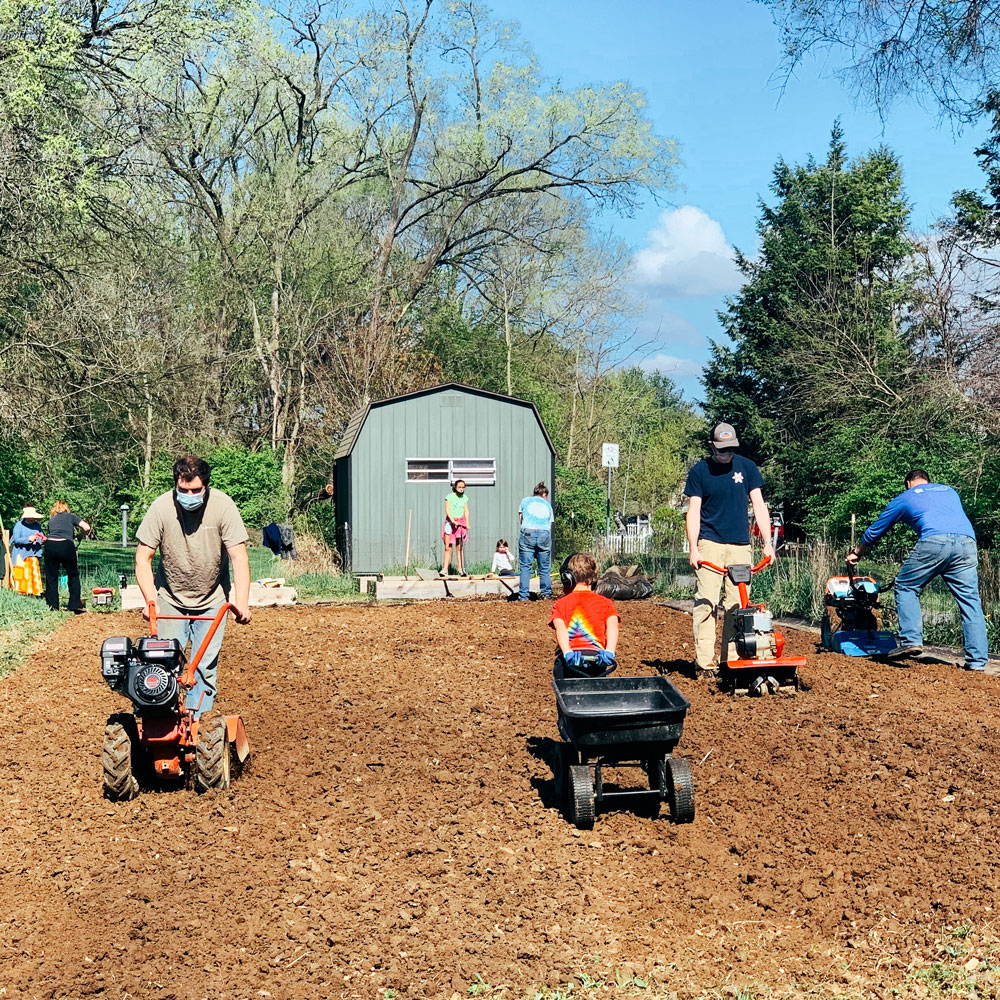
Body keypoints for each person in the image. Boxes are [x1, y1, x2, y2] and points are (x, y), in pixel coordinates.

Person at [134, 455, 252, 718]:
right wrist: (150, 600)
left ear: (206, 487)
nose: (189, 495)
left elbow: (239, 557)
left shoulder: (223, 506)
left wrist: (241, 602)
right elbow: (143, 558)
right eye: (183, 490)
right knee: (163, 664)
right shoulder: (161, 508)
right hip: (170, 598)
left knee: (204, 668)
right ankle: (165, 722)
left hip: (212, 599)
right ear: (175, 484)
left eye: (196, 490)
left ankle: (198, 725)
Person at [847, 469, 988, 671]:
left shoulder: (906, 497)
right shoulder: (949, 491)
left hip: (934, 541)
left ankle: (911, 640)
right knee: (970, 600)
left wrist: (858, 552)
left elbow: (877, 529)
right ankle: (977, 662)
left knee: (905, 585)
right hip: (967, 543)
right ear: (928, 481)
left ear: (908, 483)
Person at [684, 422, 776, 676]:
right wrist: (694, 548)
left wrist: (768, 544)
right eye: (721, 449)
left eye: (730, 449)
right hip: (709, 544)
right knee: (707, 602)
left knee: (738, 605)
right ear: (712, 445)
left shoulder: (747, 467)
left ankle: (732, 661)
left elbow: (759, 506)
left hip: (740, 546)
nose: (726, 454)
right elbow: (693, 512)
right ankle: (705, 663)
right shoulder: (700, 471)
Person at [549, 552, 620, 680]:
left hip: (568, 663)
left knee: (565, 698)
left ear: (567, 579)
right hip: (597, 661)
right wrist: (609, 651)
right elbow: (612, 626)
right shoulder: (606, 603)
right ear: (594, 579)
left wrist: (567, 652)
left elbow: (561, 630)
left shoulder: (560, 604)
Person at [43, 500, 91, 613]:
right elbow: (87, 527)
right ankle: (75, 604)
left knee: (51, 577)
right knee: (73, 574)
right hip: (66, 545)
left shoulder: (51, 520)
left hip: (50, 545)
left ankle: (52, 606)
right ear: (66, 508)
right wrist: (80, 535)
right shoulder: (71, 516)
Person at [518, 481, 554, 601]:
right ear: (544, 495)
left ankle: (523, 596)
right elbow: (550, 524)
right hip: (544, 534)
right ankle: (546, 594)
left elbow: (521, 518)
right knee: (544, 567)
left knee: (525, 566)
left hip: (528, 532)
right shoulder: (548, 505)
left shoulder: (525, 501)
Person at [439, 480, 470, 577]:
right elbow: (447, 509)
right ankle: (445, 569)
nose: (461, 489)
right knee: (448, 547)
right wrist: (452, 520)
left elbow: (466, 511)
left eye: (463, 487)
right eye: (459, 487)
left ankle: (460, 569)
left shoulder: (464, 498)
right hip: (450, 523)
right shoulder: (450, 497)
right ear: (455, 487)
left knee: (459, 547)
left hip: (460, 524)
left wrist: (467, 523)